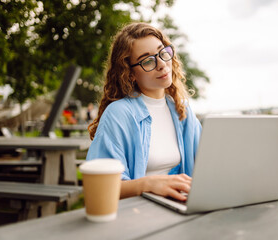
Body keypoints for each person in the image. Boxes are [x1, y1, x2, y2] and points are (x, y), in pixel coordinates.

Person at [86, 22, 202, 201]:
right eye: (147, 60)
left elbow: (206, 166)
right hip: (137, 215)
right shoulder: (119, 114)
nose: (162, 64)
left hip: (181, 208)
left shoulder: (182, 110)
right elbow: (98, 186)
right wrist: (147, 184)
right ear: (130, 73)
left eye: (163, 52)